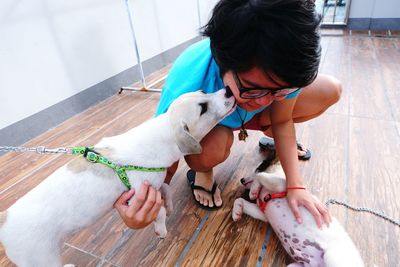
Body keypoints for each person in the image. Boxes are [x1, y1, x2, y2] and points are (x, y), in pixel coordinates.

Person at [116, 0, 340, 228]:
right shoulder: (185, 86)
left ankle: (273, 138)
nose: (264, 100)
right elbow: (163, 157)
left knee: (330, 90)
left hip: (249, 117)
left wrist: (296, 186)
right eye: (253, 88)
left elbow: (282, 120)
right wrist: (141, 210)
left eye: (280, 90)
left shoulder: (283, 72)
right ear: (222, 61)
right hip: (213, 127)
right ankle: (202, 171)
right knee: (211, 148)